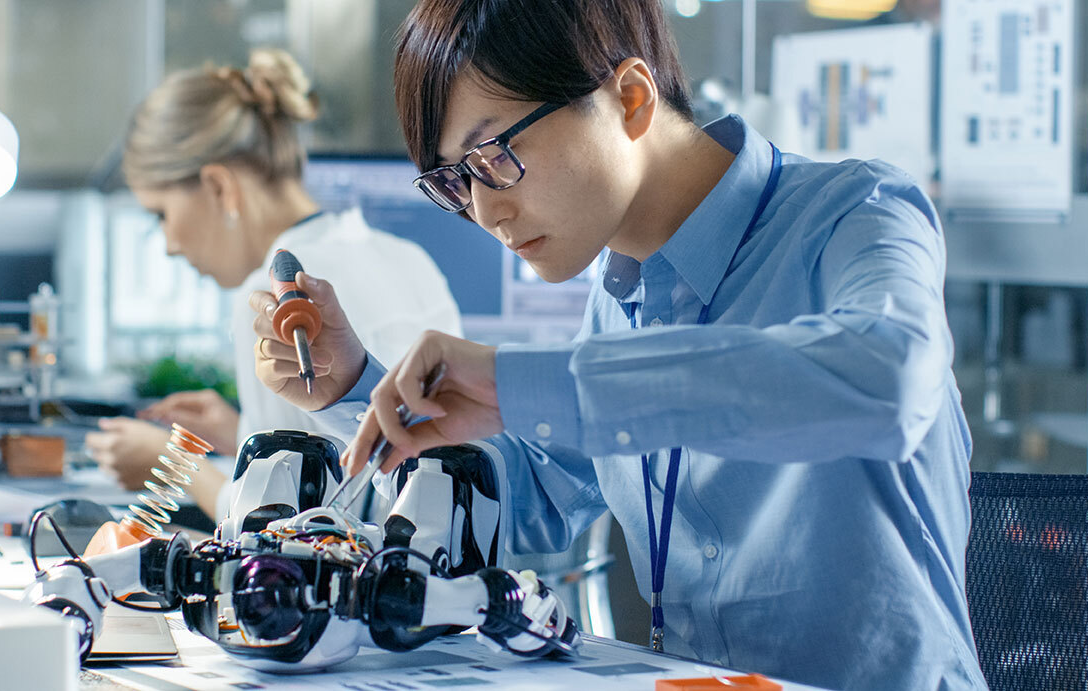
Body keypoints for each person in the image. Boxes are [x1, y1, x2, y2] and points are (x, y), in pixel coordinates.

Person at [248, 2, 987, 689]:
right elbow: (539, 496)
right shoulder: (621, 293)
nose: (485, 210)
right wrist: (353, 383)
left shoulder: (854, 211)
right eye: (457, 181)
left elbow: (882, 377)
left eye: (496, 154)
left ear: (630, 99)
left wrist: (523, 382)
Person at [85, 48, 463, 519]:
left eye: (162, 214)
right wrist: (242, 431)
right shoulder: (406, 258)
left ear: (219, 187)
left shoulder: (275, 302)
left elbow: (271, 525)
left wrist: (173, 463)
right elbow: (376, 443)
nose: (168, 245)